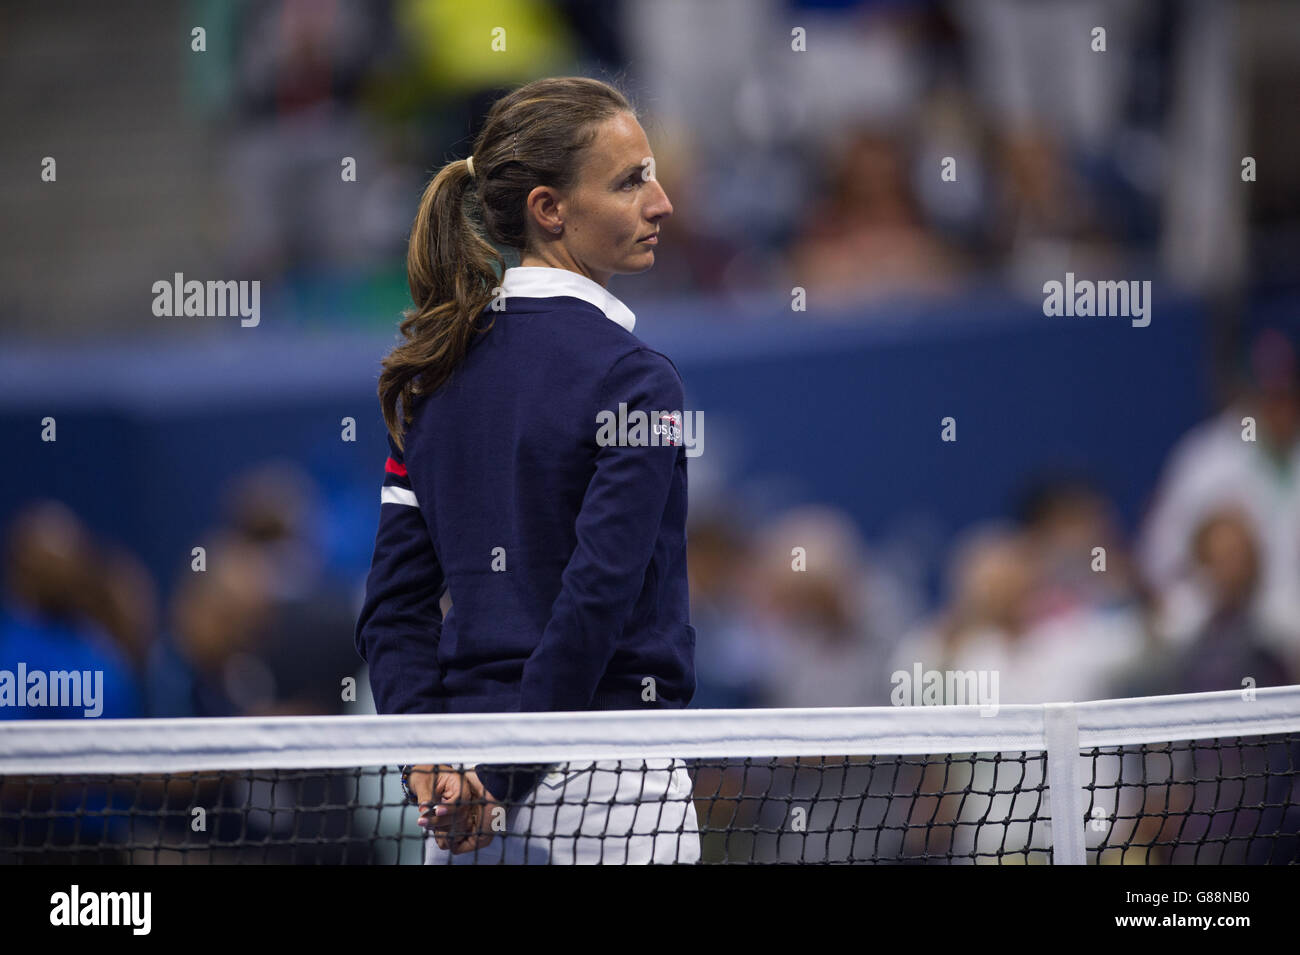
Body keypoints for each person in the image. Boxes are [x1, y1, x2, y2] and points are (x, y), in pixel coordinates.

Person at [354, 76, 699, 864]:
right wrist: (496, 778)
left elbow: (391, 614)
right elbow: (597, 596)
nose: (663, 202)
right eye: (631, 181)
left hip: (466, 795)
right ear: (550, 209)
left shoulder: (430, 378)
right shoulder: (638, 380)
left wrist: (435, 769)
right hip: (612, 786)